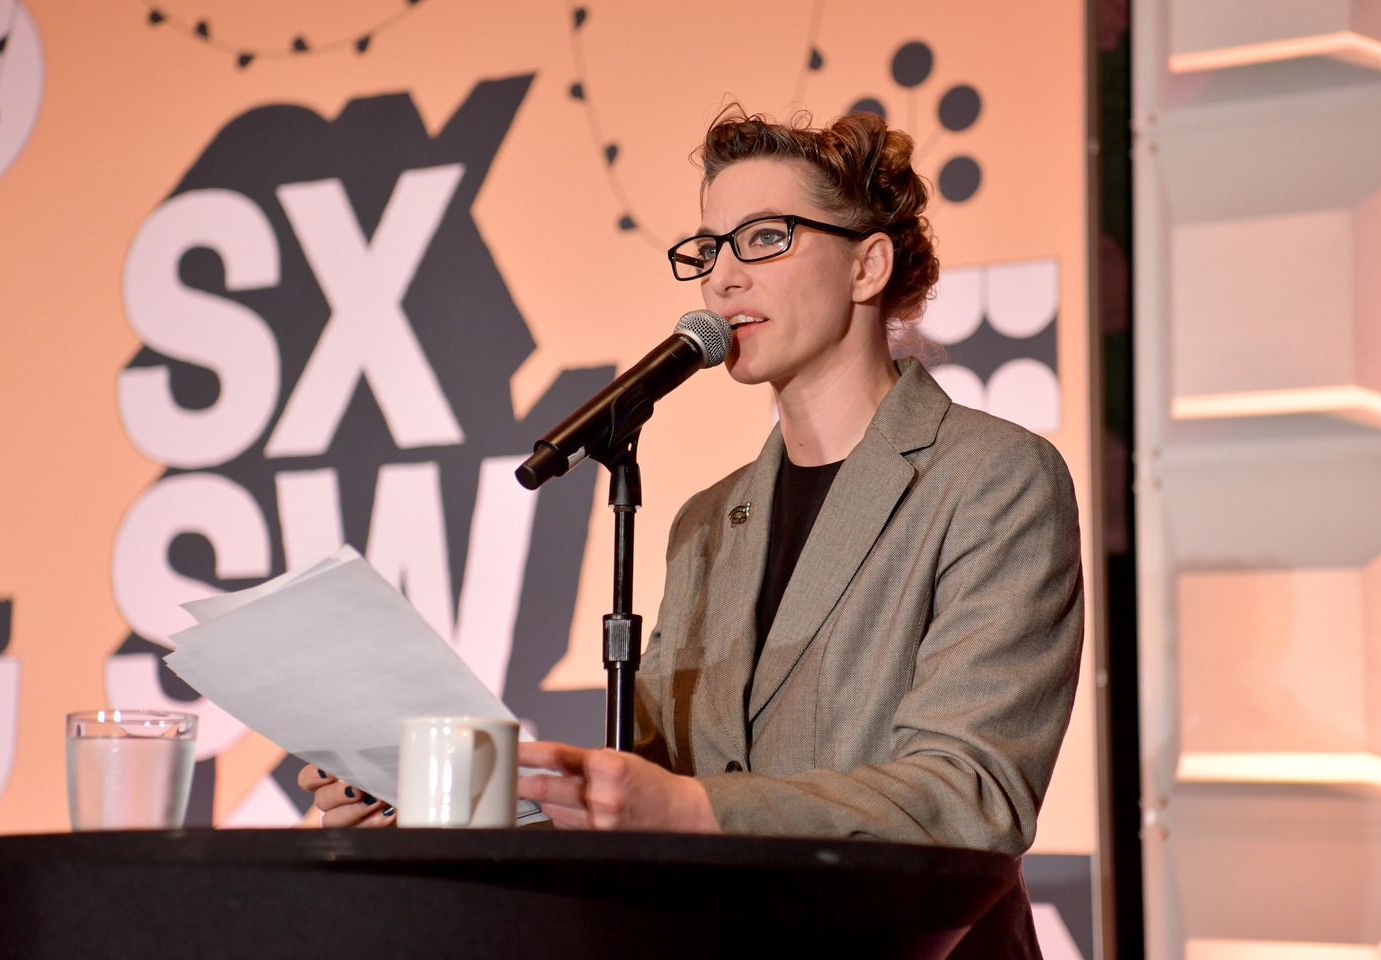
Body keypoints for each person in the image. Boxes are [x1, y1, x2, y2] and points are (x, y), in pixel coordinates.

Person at [299, 107, 1083, 955]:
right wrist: (438, 794)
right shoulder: (708, 522)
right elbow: (645, 783)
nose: (721, 280)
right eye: (708, 250)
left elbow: (969, 796)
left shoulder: (991, 477)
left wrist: (689, 809)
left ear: (868, 264)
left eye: (765, 239)